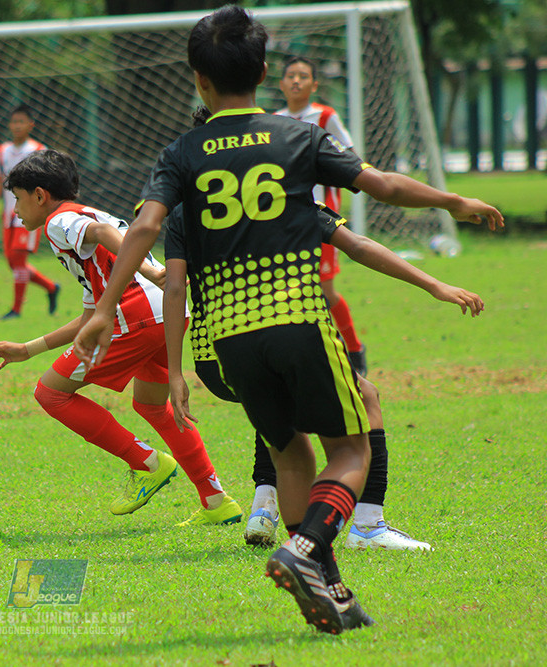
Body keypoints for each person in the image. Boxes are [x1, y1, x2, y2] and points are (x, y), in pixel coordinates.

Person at [73, 6, 502, 634]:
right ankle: (307, 549)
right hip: (297, 319)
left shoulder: (182, 153)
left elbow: (143, 227)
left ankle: (323, 588)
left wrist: (106, 307)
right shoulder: (297, 139)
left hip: (227, 338)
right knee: (353, 445)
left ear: (199, 80)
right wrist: (452, 200)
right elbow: (378, 185)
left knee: (289, 452)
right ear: (267, 71)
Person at [178, 106, 429, 551]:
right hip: (275, 331)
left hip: (213, 355)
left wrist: (173, 371)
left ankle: (264, 506)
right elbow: (360, 244)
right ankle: (365, 527)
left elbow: (173, 286)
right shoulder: (277, 200)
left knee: (275, 407)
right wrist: (434, 283)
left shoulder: (182, 213)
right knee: (361, 400)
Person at [0, 149, 242, 526]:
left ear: (40, 195)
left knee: (50, 393)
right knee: (153, 406)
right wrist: (27, 348)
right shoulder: (89, 216)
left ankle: (147, 463)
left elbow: (105, 238)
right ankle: (217, 501)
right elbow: (92, 314)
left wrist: (151, 272)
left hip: (135, 312)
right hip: (164, 312)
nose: (16, 211)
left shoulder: (60, 221)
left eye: (18, 199)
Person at [276, 56, 367, 376]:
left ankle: (354, 349)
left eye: (303, 76)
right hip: (284, 218)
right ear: (281, 83)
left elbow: (350, 158)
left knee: (325, 291)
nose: (296, 81)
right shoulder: (275, 120)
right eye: (290, 75)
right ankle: (311, 357)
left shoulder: (325, 116)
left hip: (321, 219)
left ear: (315, 85)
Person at [0, 104, 60, 319]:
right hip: (9, 215)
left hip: (29, 215)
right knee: (12, 262)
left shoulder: (39, 149)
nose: (17, 126)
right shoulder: (2, 151)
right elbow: (0, 182)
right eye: (14, 121)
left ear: (30, 125)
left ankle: (16, 310)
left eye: (21, 121)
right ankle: (50, 287)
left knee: (18, 261)